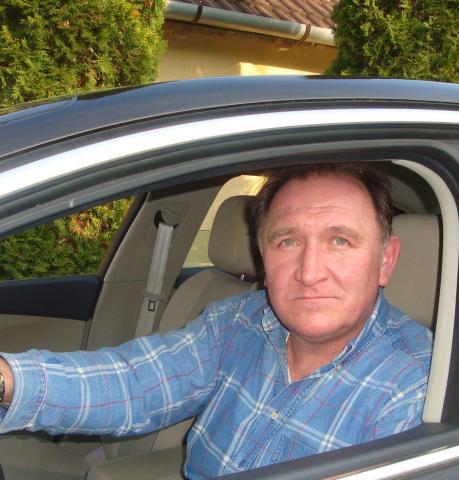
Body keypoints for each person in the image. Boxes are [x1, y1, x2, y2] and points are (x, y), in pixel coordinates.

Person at [0, 163, 432, 479]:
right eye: (287, 242)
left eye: (339, 241)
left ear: (385, 260)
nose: (309, 271)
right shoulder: (239, 321)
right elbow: (135, 383)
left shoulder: (418, 386)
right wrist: (8, 380)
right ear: (263, 257)